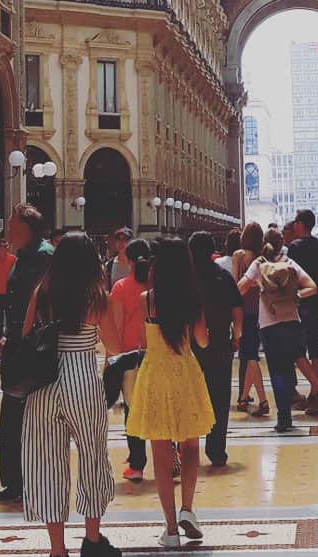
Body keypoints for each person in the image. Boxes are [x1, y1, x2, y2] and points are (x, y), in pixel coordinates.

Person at [21, 232, 121, 557]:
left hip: (44, 382)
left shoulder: (42, 292)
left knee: (48, 463)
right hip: (82, 381)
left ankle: (57, 549)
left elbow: (25, 335)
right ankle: (91, 540)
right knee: (93, 457)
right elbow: (114, 345)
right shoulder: (97, 296)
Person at [126, 237, 214, 548]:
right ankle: (187, 508)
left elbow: (144, 340)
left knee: (161, 454)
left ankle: (171, 529)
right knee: (190, 445)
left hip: (155, 374)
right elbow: (202, 341)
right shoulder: (193, 299)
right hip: (185, 372)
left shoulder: (146, 299)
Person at [0, 203, 54, 503]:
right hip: (18, 343)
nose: (8, 229)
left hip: (35, 347)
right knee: (12, 416)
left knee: (33, 416)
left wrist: (28, 338)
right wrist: (7, 335)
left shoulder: (44, 256)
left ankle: (31, 480)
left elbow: (45, 304)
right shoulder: (23, 257)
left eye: (12, 224)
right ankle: (14, 482)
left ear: (26, 227)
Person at [238, 228, 317, 433]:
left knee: (277, 372)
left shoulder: (259, 264)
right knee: (289, 368)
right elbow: (313, 287)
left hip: (269, 325)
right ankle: (287, 414)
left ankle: (283, 417)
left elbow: (240, 288)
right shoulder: (289, 263)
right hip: (292, 321)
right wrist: (296, 296)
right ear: (281, 244)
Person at [188, 231, 243, 467]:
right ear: (213, 250)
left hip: (189, 345)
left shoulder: (185, 278)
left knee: (187, 395)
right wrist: (236, 337)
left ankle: (184, 448)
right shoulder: (223, 276)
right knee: (219, 396)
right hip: (220, 342)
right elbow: (237, 310)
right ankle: (216, 450)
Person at [109, 237, 152, 483]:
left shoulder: (120, 288)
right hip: (155, 355)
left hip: (129, 358)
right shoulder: (158, 286)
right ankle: (171, 458)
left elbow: (116, 328)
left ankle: (137, 465)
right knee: (159, 407)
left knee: (133, 411)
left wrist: (110, 360)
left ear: (128, 260)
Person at [287, 210, 318, 415]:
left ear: (300, 224)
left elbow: (290, 275)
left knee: (296, 351)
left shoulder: (294, 247)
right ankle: (314, 395)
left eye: (296, 221)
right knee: (315, 349)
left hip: (300, 303)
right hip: (317, 304)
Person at [233, 221, 269, 415]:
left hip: (244, 310)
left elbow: (234, 286)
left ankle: (263, 400)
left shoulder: (239, 256)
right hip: (261, 310)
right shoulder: (263, 258)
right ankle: (243, 397)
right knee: (249, 354)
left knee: (250, 355)